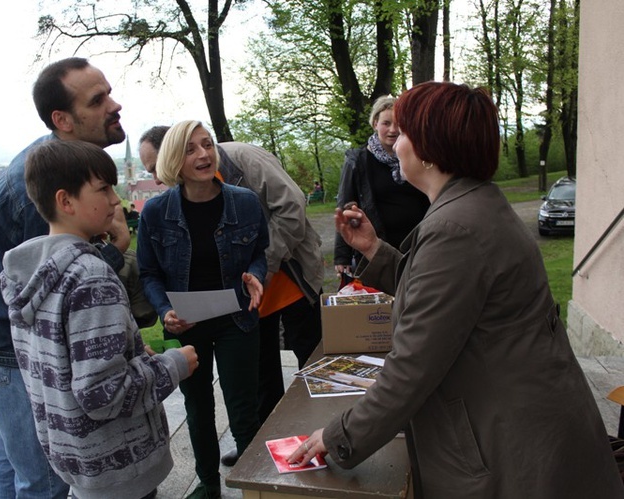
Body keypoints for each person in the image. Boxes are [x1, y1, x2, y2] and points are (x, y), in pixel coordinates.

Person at [289, 82, 624, 498]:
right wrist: (375, 250)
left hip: (510, 442)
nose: (395, 143)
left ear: (430, 148)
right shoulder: (473, 205)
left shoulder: (455, 229)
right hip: (529, 421)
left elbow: (413, 366)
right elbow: (450, 300)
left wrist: (340, 436)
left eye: (405, 132)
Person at [0, 57, 130, 498]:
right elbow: (61, 296)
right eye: (98, 100)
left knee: (14, 464)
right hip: (10, 348)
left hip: (6, 337)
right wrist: (116, 250)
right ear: (63, 120)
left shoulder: (61, 163)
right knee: (46, 477)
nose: (115, 105)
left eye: (109, 92)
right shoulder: (41, 188)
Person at [0, 140, 198, 499]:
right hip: (120, 464)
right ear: (66, 201)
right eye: (103, 189)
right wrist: (174, 364)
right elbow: (103, 393)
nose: (114, 199)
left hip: (76, 461)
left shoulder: (27, 276)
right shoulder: (91, 276)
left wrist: (133, 358)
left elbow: (67, 367)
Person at [139, 126, 324, 465]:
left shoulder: (243, 161)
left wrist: (260, 269)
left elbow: (292, 207)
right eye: (152, 171)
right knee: (261, 377)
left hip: (293, 279)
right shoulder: (168, 206)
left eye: (154, 169)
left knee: (310, 363)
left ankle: (322, 440)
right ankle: (264, 450)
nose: (156, 177)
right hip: (251, 299)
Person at [137, 120, 269, 499]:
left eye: (207, 145)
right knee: (197, 406)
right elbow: (149, 272)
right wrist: (164, 311)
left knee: (243, 407)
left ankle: (251, 487)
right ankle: (208, 484)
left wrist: (256, 275)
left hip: (236, 319)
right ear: (175, 161)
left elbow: (259, 250)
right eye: (192, 149)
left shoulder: (244, 201)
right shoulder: (156, 213)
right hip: (184, 323)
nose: (204, 155)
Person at [334, 95, 429, 277]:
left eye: (399, 124)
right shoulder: (357, 161)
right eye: (386, 123)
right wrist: (342, 257)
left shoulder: (417, 157)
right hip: (376, 248)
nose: (393, 130)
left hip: (416, 247)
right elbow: (344, 206)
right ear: (375, 123)